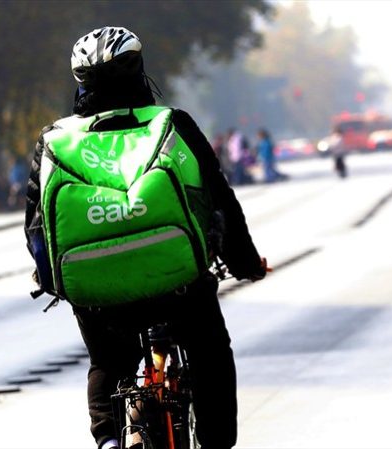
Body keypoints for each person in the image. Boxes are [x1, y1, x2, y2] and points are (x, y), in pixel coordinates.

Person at [24, 26, 268, 449]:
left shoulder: (54, 142)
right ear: (139, 70)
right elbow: (219, 199)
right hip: (179, 289)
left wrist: (48, 279)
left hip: (99, 294)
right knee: (209, 352)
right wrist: (246, 263)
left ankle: (109, 441)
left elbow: (36, 228)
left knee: (106, 361)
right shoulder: (171, 125)